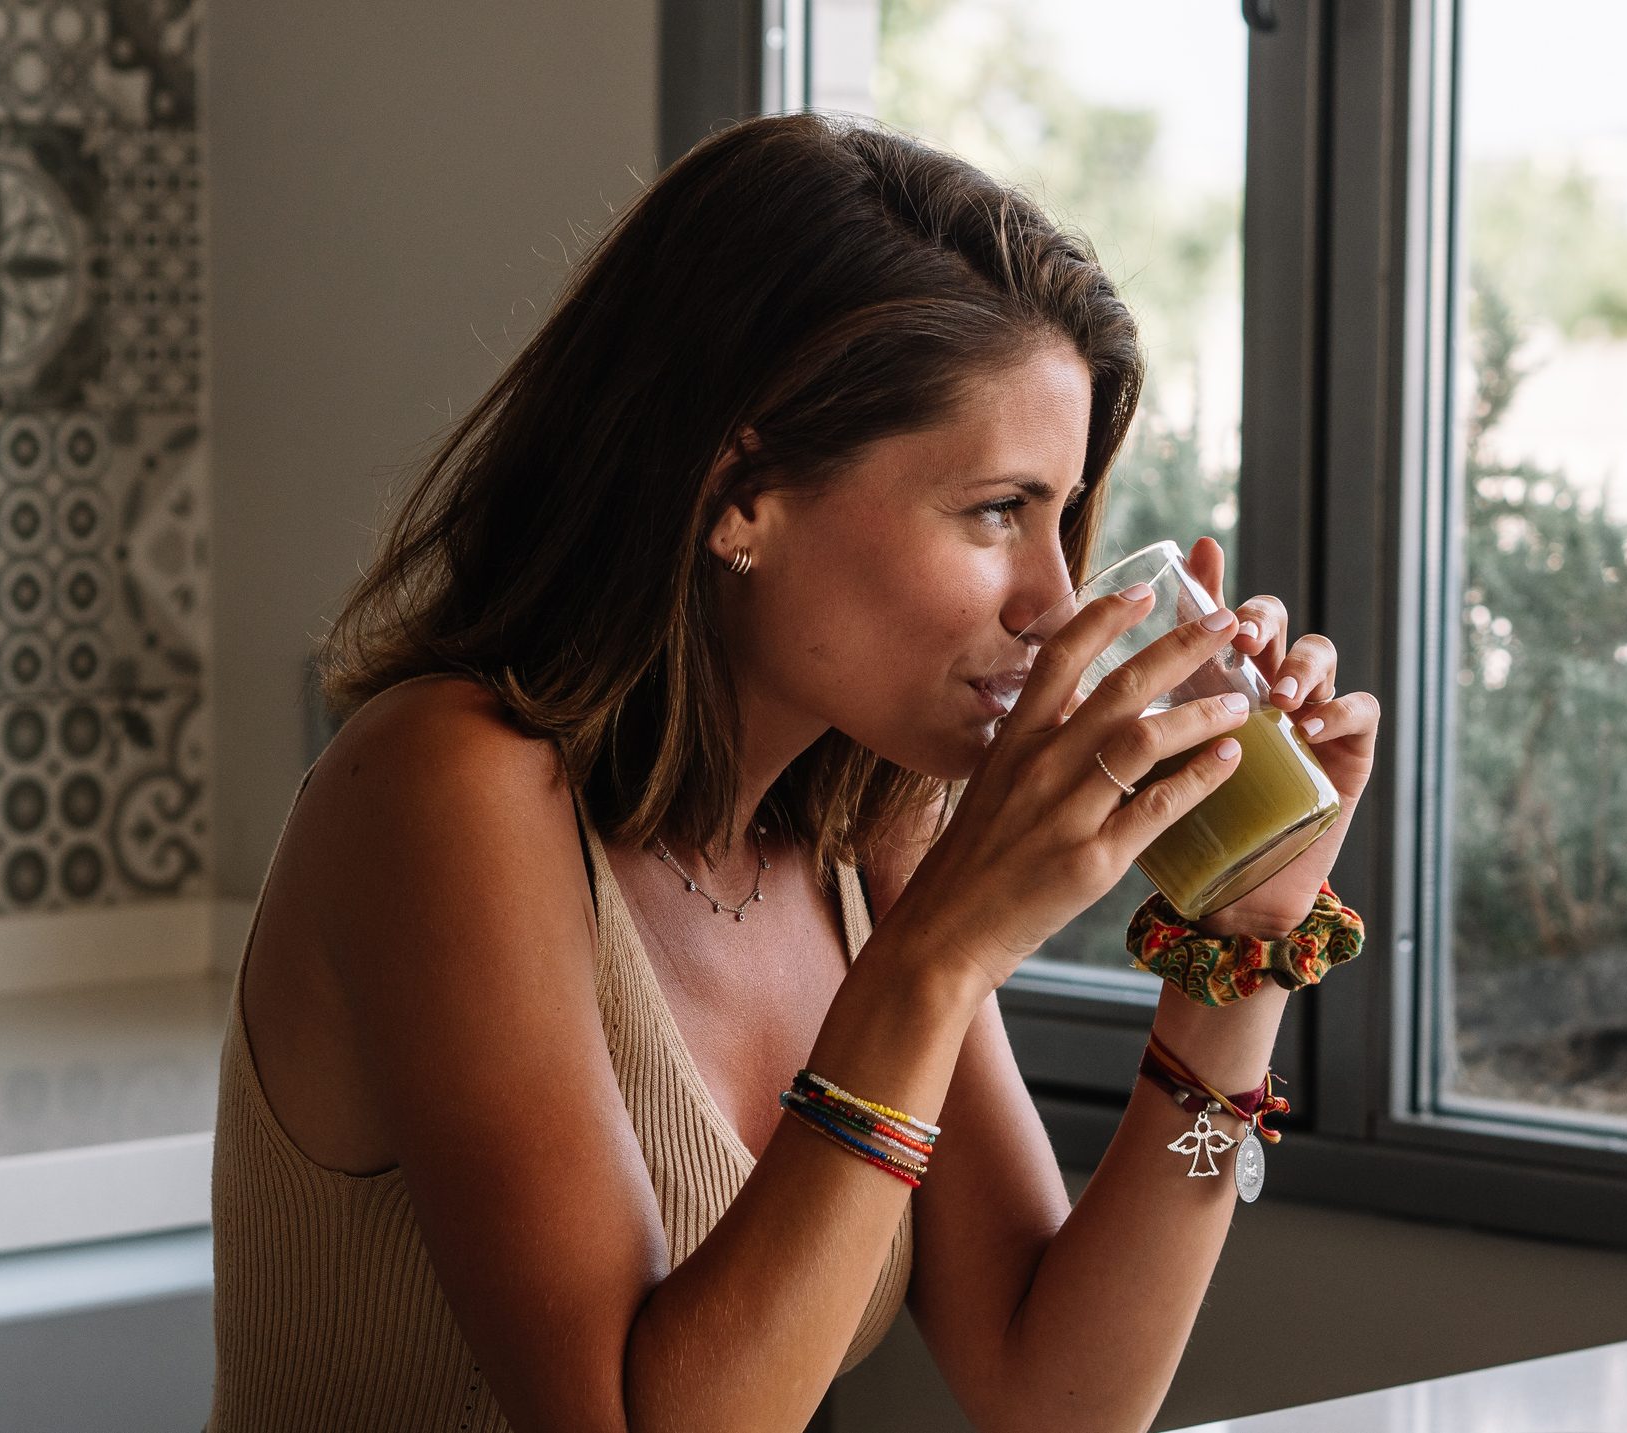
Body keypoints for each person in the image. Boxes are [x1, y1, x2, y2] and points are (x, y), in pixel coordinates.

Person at [207, 110, 1380, 1432]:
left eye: (1064, 515)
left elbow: (1064, 1398)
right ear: (740, 490)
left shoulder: (864, 830)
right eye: (998, 510)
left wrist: (1240, 955)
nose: (1051, 599)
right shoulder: (443, 786)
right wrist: (939, 957)